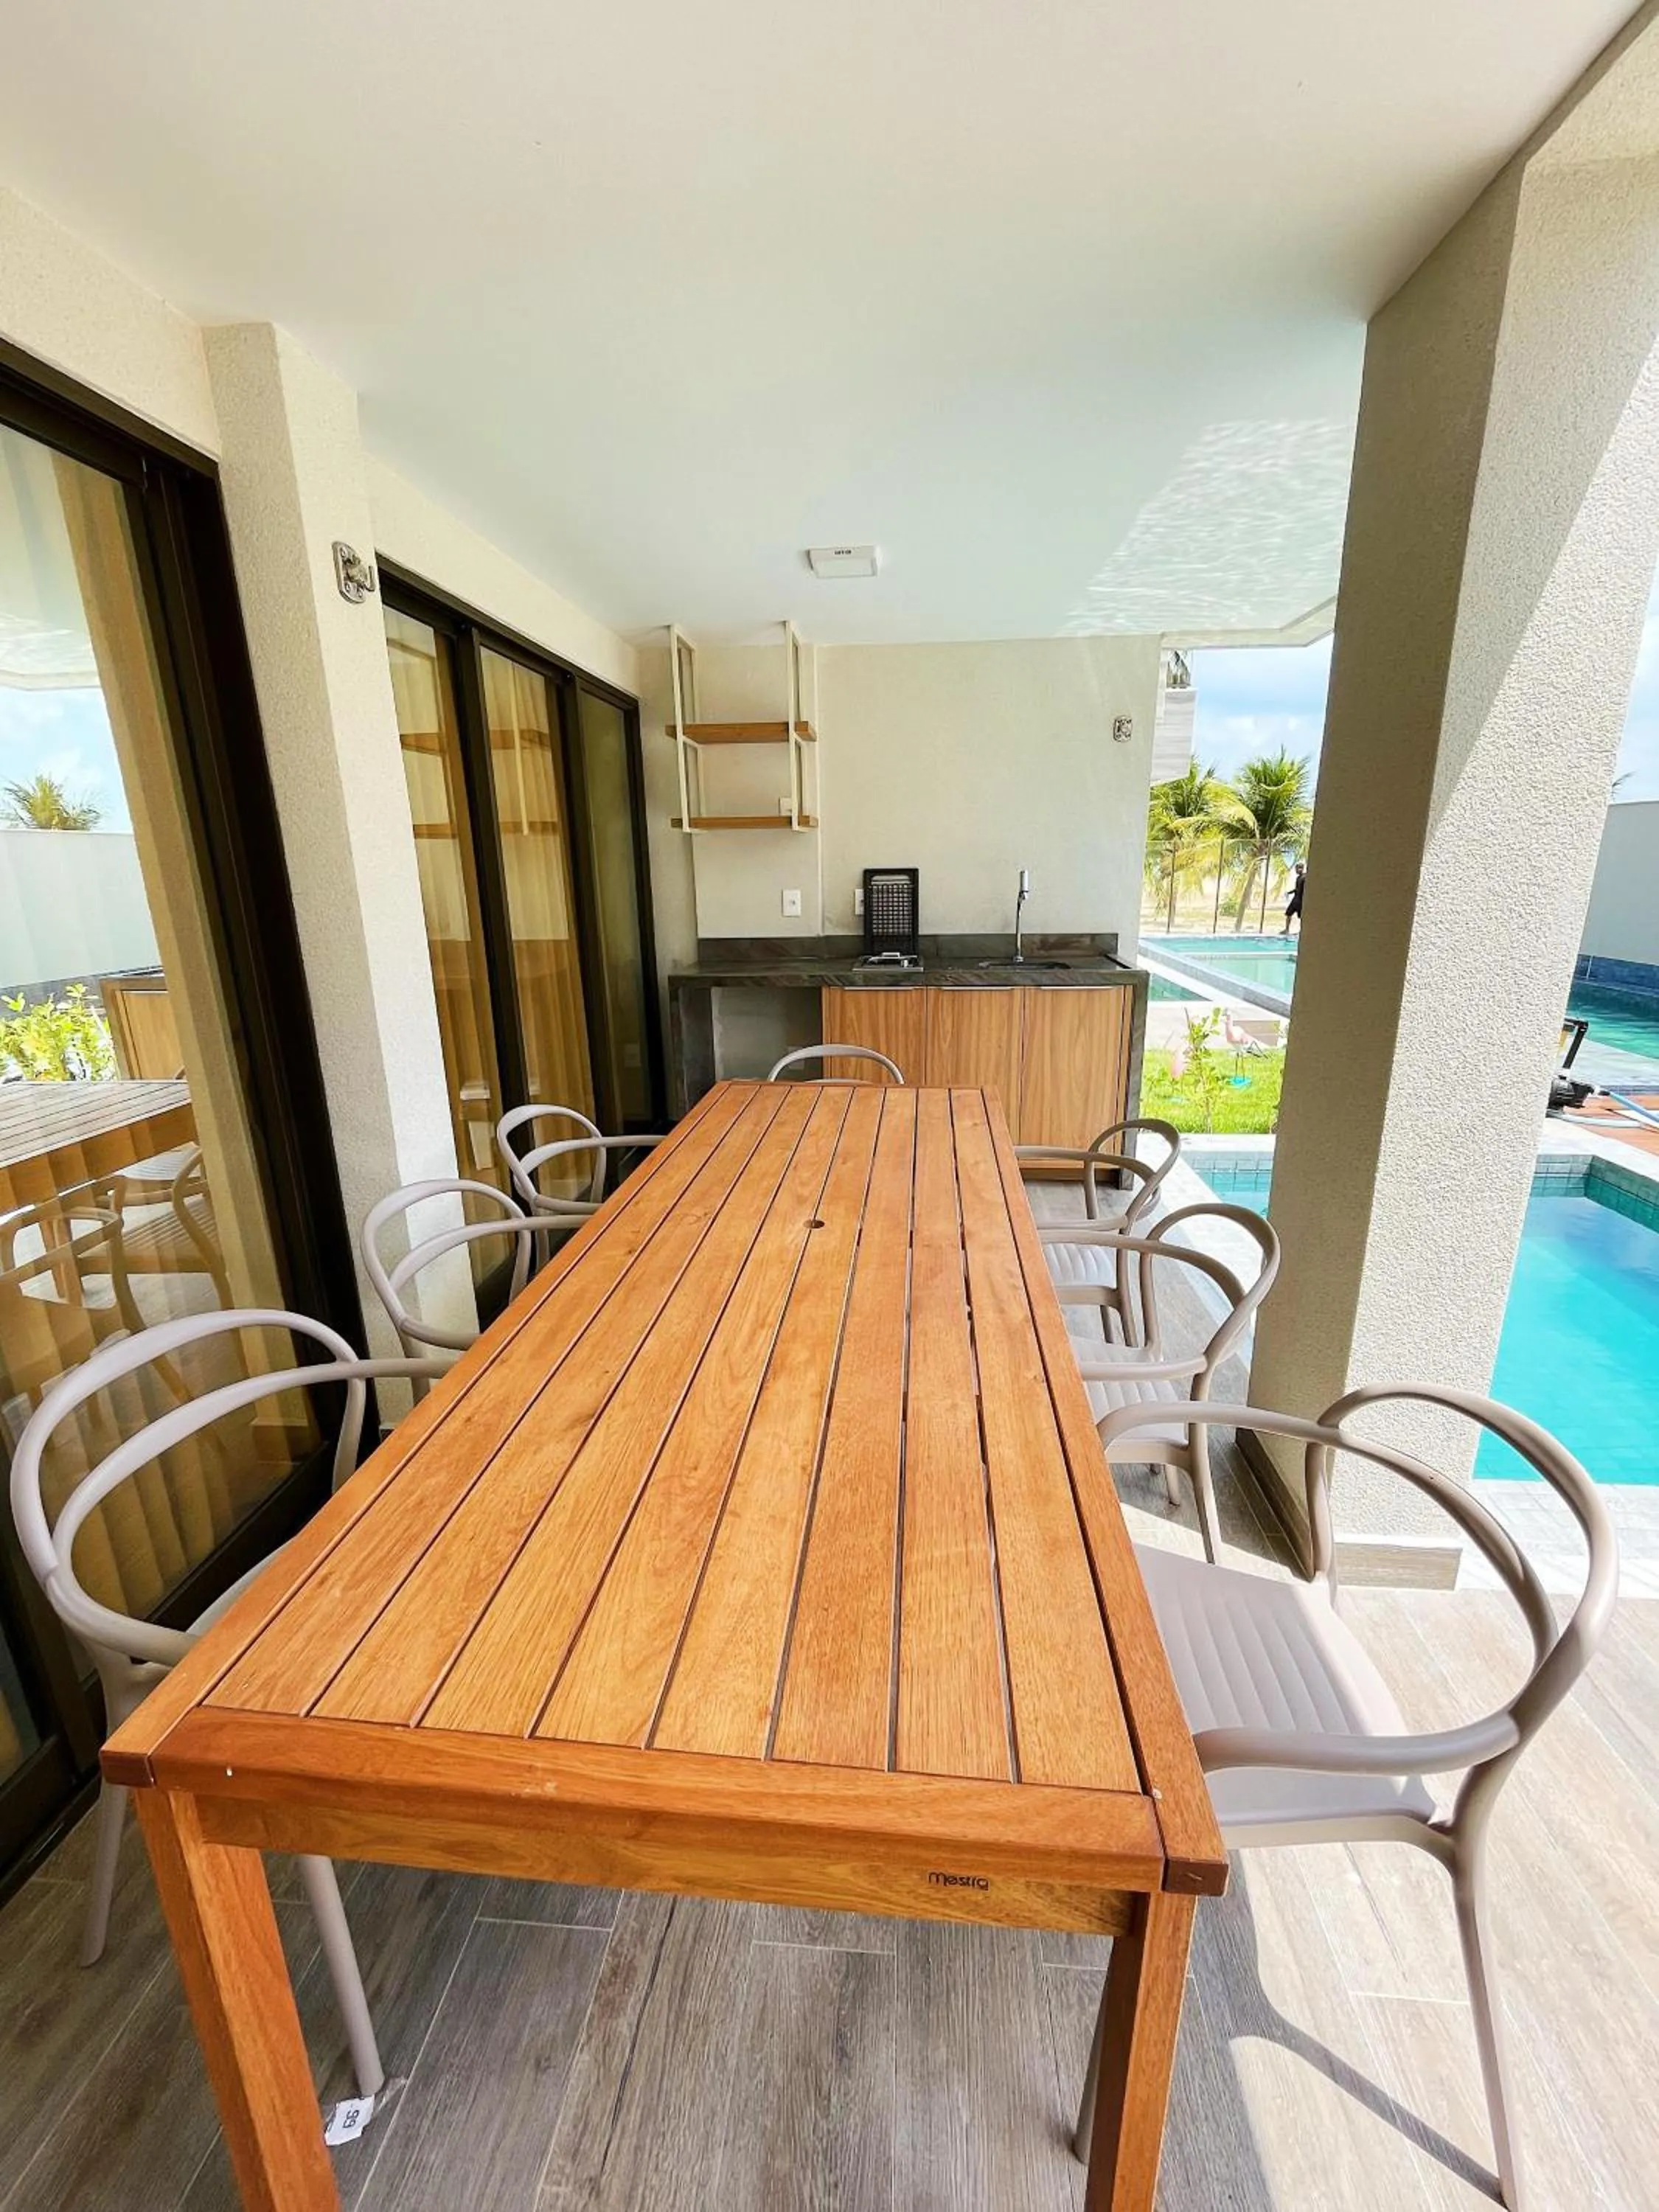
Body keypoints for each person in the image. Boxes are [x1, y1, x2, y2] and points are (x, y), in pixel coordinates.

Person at [1281, 864, 1306, 936]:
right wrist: (1289, 893)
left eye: (1298, 869)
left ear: (1301, 869)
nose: (1296, 870)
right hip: (1295, 900)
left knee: (1301, 917)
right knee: (1288, 914)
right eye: (1296, 869)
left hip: (1301, 901)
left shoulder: (1305, 878)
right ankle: (1287, 930)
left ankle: (1301, 931)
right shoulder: (1298, 878)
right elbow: (1297, 889)